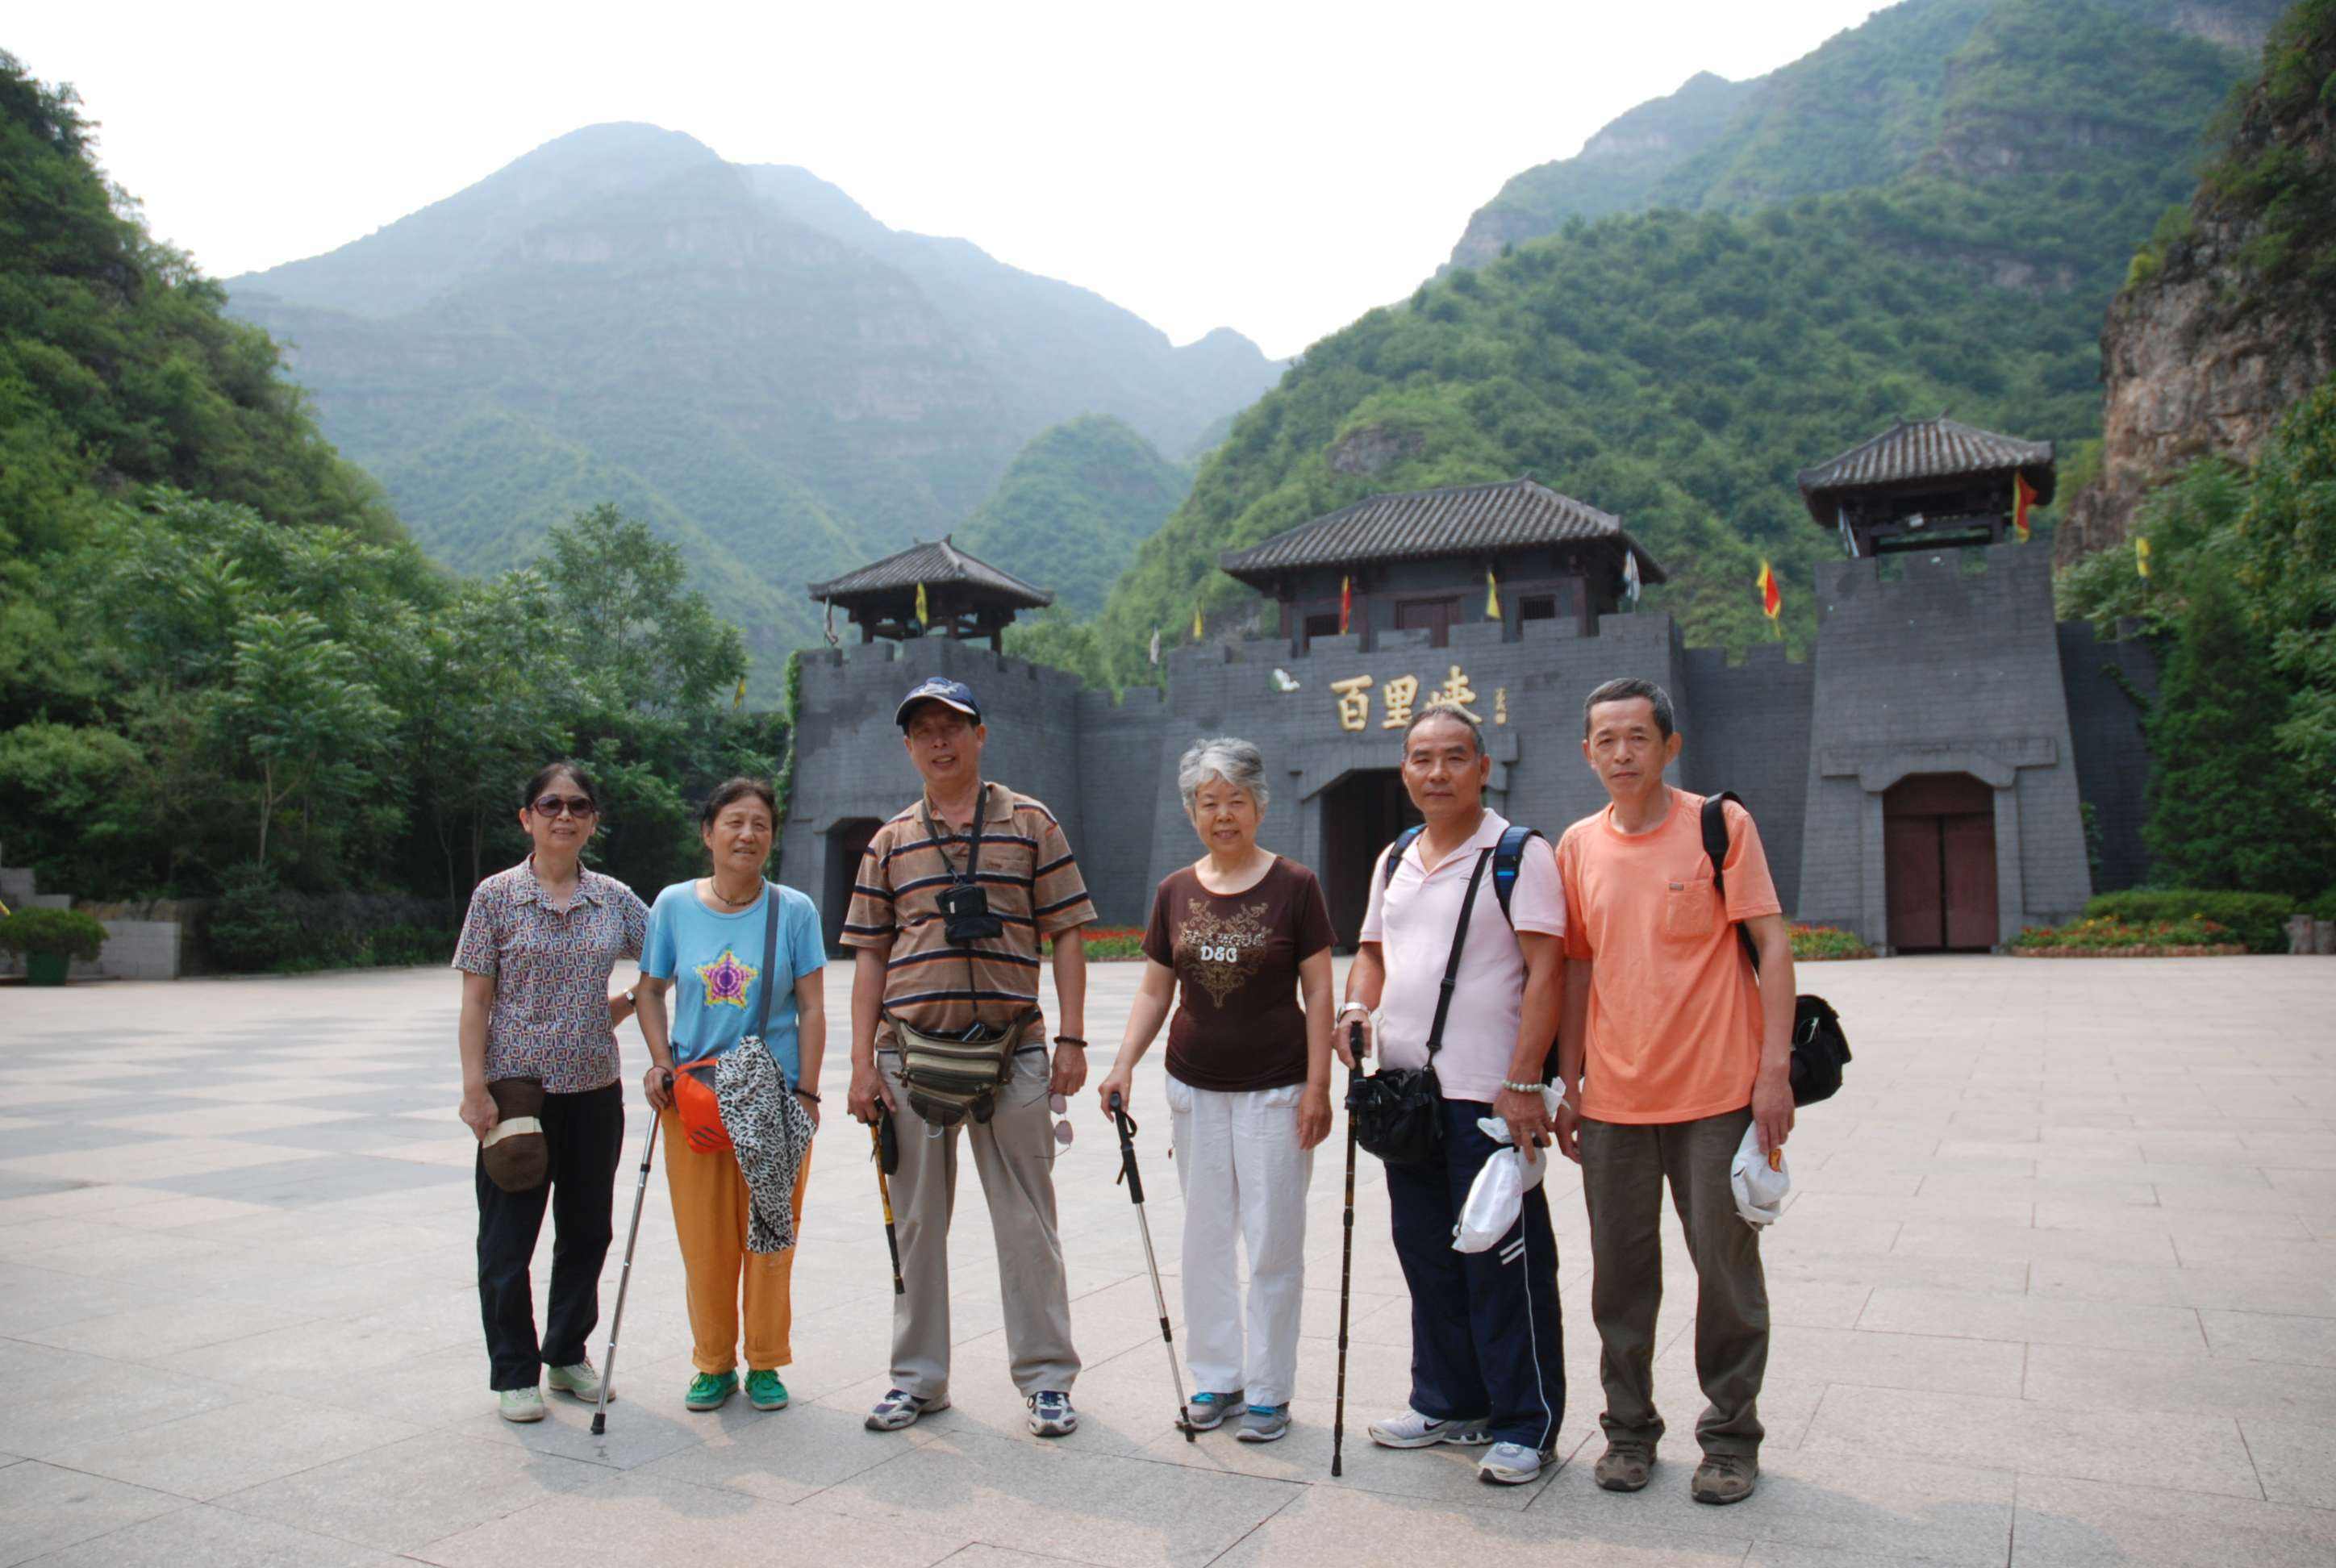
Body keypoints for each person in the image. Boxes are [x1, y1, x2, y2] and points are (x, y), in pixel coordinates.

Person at [1554, 677, 1795, 1507]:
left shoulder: (1718, 827)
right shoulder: (1577, 846)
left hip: (1717, 1095)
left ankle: (1730, 1439)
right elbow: (1578, 967)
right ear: (1586, 753)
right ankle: (1627, 1432)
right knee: (1619, 1277)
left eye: (1637, 738)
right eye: (1605, 740)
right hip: (1614, 1101)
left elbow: (1770, 944)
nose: (1622, 753)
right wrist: (1569, 1079)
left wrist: (1773, 1075)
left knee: (1725, 1273)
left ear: (1668, 746)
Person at [844, 677, 1095, 1438]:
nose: (939, 742)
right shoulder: (890, 840)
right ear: (910, 746)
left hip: (1014, 1051)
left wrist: (1073, 1039)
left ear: (980, 735)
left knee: (1027, 1222)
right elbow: (868, 958)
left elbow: (1069, 933)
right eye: (923, 730)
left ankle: (1048, 1380)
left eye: (952, 726)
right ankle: (918, 1381)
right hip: (910, 1060)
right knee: (917, 1224)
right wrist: (860, 1064)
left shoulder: (1030, 822)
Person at [1345, 705, 1569, 1486]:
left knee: (1502, 1263)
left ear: (1483, 765)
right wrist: (1353, 1008)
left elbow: (1548, 971)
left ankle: (1525, 1421)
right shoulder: (1395, 856)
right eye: (1419, 758)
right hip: (1407, 1099)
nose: (1435, 773)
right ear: (1403, 770)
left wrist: (1522, 1080)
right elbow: (1371, 953)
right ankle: (1446, 1400)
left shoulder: (1517, 854)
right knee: (1427, 1258)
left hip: (1488, 1100)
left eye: (1452, 758)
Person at [1095, 736, 1336, 1444]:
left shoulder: (1295, 886)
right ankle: (1216, 1378)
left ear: (1260, 805)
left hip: (1276, 1090)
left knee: (1272, 1242)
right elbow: (1153, 988)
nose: (1223, 814)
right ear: (1191, 812)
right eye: (1209, 802)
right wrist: (1121, 1065)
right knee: (1203, 1239)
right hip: (1194, 1088)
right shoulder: (1176, 890)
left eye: (1236, 800)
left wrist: (1320, 1083)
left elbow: (1320, 990)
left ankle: (1268, 1390)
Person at [453, 762, 647, 1424]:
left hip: (595, 1089)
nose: (565, 815)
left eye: (580, 806)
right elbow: (476, 998)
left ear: (593, 819)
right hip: (517, 1094)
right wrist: (473, 1088)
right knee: (509, 1238)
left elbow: (671, 959)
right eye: (550, 803)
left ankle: (566, 1354)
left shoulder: (615, 898)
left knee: (588, 1229)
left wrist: (616, 1008)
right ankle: (513, 1370)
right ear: (526, 816)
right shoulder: (497, 896)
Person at [634, 777, 827, 1414]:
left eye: (761, 825)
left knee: (771, 1233)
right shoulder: (672, 906)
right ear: (708, 832)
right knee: (704, 1239)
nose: (748, 835)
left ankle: (767, 1362)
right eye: (734, 822)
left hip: (773, 1101)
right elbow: (650, 990)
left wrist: (808, 1092)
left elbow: (813, 1006)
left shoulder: (794, 909)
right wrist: (660, 1062)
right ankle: (713, 1362)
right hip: (695, 1099)